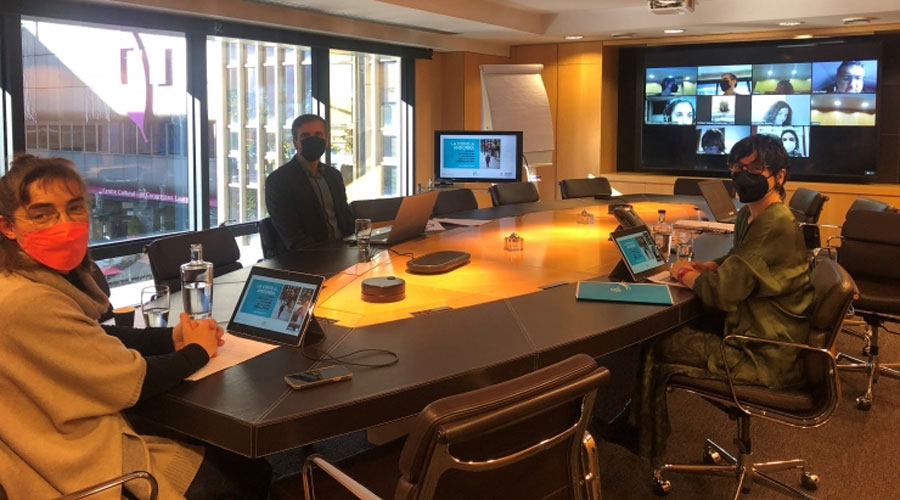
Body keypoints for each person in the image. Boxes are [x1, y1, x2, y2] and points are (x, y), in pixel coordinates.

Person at [0, 154, 271, 499]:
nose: (64, 224)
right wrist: (197, 351)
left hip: (54, 439)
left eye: (74, 208)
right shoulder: (28, 300)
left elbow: (91, 337)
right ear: (8, 227)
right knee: (248, 473)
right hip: (81, 466)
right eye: (41, 215)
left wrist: (171, 337)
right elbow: (132, 380)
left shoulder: (28, 281)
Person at [625, 134, 813, 468]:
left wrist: (683, 273)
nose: (744, 175)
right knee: (673, 328)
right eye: (738, 167)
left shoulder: (775, 223)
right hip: (755, 327)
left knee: (658, 343)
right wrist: (713, 265)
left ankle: (646, 443)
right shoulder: (752, 215)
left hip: (763, 351)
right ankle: (635, 426)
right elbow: (743, 258)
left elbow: (723, 294)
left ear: (780, 176)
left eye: (756, 168)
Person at [265, 114, 354, 251]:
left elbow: (346, 221)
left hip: (344, 252)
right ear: (295, 143)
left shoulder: (334, 176)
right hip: (308, 260)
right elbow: (294, 237)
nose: (313, 139)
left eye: (318, 135)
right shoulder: (278, 181)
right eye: (306, 136)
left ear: (326, 141)